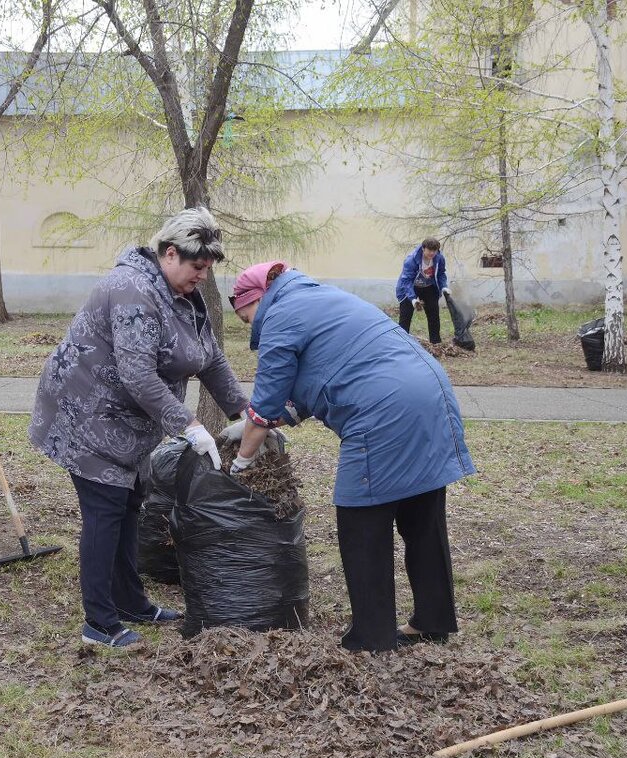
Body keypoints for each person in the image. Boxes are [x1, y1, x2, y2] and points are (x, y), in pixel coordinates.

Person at [225, 260, 475, 653]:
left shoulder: (280, 315)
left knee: (360, 523)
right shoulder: (321, 298)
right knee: (422, 516)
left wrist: (242, 459)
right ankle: (433, 620)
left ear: (257, 297)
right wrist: (271, 420)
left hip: (384, 409)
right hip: (429, 389)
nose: (249, 326)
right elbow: (318, 378)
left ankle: (371, 637)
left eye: (245, 316)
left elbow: (268, 395)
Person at [29, 207, 249, 649]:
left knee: (131, 503)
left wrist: (242, 413)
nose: (203, 277)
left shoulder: (183, 294)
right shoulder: (132, 289)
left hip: (127, 421)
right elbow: (137, 375)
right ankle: (99, 623)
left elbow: (209, 358)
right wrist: (188, 424)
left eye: (207, 269)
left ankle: (130, 602)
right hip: (87, 412)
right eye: (197, 267)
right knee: (105, 509)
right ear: (170, 254)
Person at [396, 238, 450, 344]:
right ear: (423, 248)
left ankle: (436, 343)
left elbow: (441, 273)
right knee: (405, 316)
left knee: (433, 315)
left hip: (429, 287)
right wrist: (412, 299)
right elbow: (406, 281)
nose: (432, 253)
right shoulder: (411, 260)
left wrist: (443, 286)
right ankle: (401, 344)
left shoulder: (439, 257)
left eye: (434, 250)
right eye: (429, 250)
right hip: (410, 287)